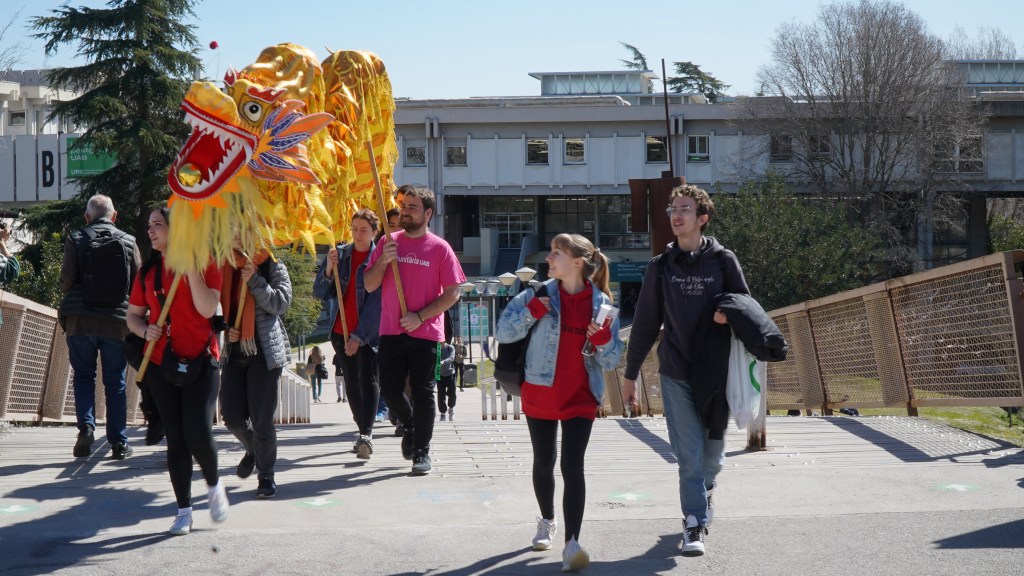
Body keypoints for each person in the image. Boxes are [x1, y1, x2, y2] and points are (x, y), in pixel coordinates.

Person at [621, 184, 749, 558]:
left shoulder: (723, 261)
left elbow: (746, 305)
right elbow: (645, 323)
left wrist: (730, 315)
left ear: (702, 218)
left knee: (710, 456)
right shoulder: (660, 267)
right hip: (676, 370)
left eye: (685, 209)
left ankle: (704, 491)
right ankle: (694, 522)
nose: (676, 216)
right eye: (672, 209)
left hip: (717, 372)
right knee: (689, 454)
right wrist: (630, 374)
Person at [496, 233, 623, 573]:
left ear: (577, 263)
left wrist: (604, 341)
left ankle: (572, 543)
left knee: (572, 466)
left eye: (556, 253)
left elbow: (611, 360)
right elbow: (503, 332)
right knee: (544, 460)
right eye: (550, 252)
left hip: (581, 395)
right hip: (540, 390)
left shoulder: (602, 305)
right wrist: (531, 313)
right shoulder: (536, 294)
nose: (549, 259)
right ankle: (547, 520)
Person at [125, 204, 229, 536]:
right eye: (149, 225)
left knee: (198, 431)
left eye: (158, 224)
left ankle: (214, 485)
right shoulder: (147, 272)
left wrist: (191, 270)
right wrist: (146, 331)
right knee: (177, 438)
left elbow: (208, 308)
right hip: (161, 362)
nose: (150, 230)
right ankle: (184, 510)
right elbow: (133, 316)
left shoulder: (207, 261)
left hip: (202, 358)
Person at [364, 186, 465, 476]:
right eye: (403, 206)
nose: (405, 212)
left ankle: (421, 451)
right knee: (389, 389)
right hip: (391, 331)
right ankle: (409, 423)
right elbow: (369, 285)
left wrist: (420, 316)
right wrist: (383, 260)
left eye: (412, 207)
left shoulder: (440, 248)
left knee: (423, 391)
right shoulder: (388, 243)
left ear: (428, 213)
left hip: (426, 333)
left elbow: (453, 293)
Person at [59, 195, 141, 460]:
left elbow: (67, 279)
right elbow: (138, 284)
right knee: (115, 382)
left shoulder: (76, 238)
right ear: (114, 216)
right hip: (116, 323)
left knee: (83, 376)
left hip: (80, 321)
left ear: (87, 217)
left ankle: (86, 427)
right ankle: (119, 443)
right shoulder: (128, 241)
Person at [218, 247, 292, 499]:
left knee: (262, 420)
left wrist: (255, 280)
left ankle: (266, 475)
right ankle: (253, 448)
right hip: (233, 353)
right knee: (231, 417)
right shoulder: (224, 263)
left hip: (264, 354)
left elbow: (280, 303)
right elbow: (214, 308)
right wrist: (226, 328)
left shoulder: (271, 263)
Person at [314, 208, 382, 460]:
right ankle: (363, 432)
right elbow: (319, 293)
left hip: (369, 333)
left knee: (369, 379)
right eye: (354, 229)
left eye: (363, 230)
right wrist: (328, 268)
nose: (358, 234)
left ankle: (366, 433)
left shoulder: (378, 258)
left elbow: (378, 302)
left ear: (374, 232)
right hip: (340, 330)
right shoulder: (340, 255)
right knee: (352, 381)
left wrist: (360, 336)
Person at [436, 340, 456, 421]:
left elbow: (451, 358)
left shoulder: (450, 348)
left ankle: (451, 409)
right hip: (440, 375)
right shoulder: (436, 348)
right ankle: (442, 413)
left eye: (440, 343)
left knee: (452, 393)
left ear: (444, 342)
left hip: (450, 374)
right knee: (441, 395)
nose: (439, 345)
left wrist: (443, 362)